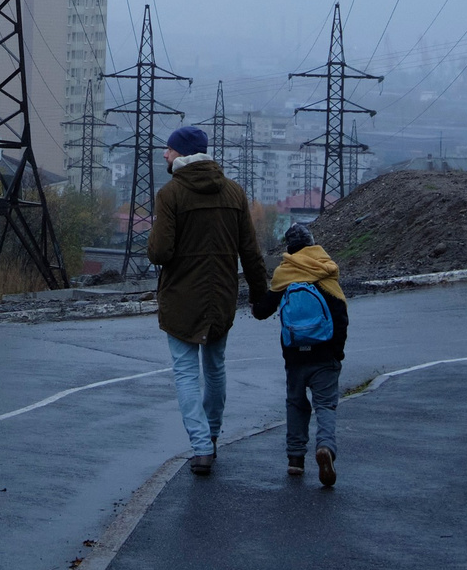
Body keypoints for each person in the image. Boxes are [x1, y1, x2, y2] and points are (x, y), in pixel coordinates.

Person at [147, 125, 271, 475]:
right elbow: (250, 251)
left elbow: (160, 252)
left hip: (180, 299)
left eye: (168, 150)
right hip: (221, 297)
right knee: (215, 368)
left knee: (186, 373)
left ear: (182, 154)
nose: (165, 155)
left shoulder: (170, 195)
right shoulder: (234, 192)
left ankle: (201, 446)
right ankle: (213, 436)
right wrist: (260, 297)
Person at [251, 222, 349, 487]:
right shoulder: (325, 269)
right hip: (325, 354)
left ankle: (295, 460)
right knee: (325, 405)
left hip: (295, 356)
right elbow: (340, 315)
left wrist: (256, 290)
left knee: (296, 404)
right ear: (312, 243)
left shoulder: (286, 274)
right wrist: (336, 353)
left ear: (290, 248)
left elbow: (260, 311)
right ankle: (325, 448)